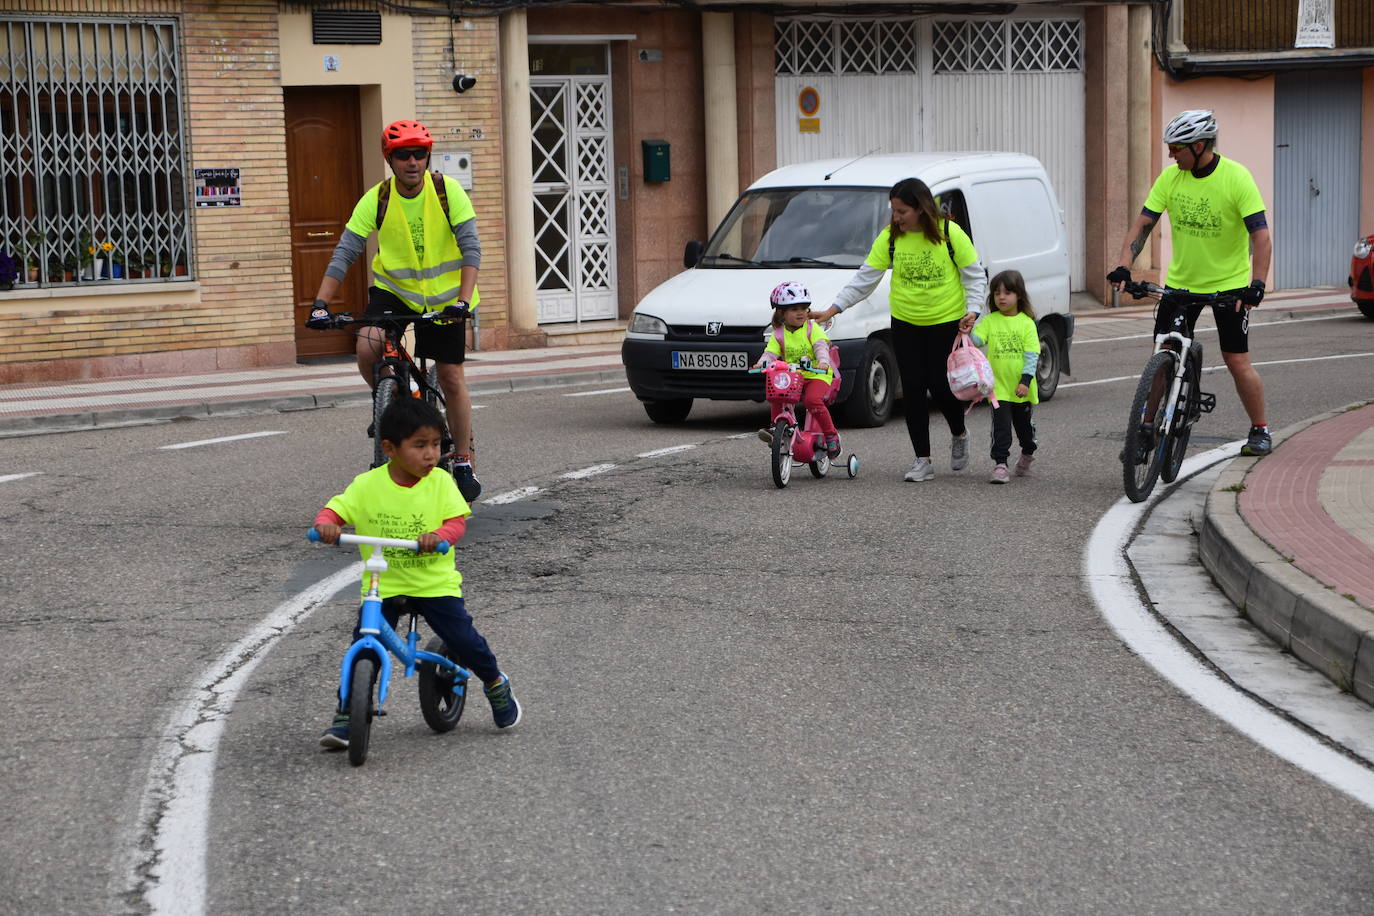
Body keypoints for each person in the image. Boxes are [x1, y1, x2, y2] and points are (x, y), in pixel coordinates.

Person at [312, 397, 520, 747]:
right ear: (390, 449)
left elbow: (456, 522)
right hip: (383, 584)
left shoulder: (440, 482)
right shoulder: (367, 485)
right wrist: (326, 525)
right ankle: (347, 714)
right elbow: (336, 509)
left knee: (463, 640)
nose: (430, 454)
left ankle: (495, 682)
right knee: (364, 647)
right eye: (420, 445)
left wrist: (440, 535)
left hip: (433, 583)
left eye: (436, 444)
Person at [308, 119, 486, 499]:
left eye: (418, 154)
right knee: (367, 345)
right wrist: (320, 304)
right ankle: (394, 405)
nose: (412, 162)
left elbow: (471, 248)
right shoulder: (377, 198)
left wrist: (462, 301)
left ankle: (462, 459)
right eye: (403, 155)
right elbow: (346, 251)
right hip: (395, 291)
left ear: (427, 156)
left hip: (446, 298)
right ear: (390, 159)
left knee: (451, 376)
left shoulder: (448, 191)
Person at [1108, 108, 1273, 457]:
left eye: (1176, 148)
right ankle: (1145, 430)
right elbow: (1142, 226)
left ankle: (1260, 429)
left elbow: (1260, 236)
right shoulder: (1170, 179)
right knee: (1163, 354)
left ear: (1199, 146)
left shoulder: (1236, 178)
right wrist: (1124, 267)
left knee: (1236, 360)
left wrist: (1256, 284)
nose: (1171, 154)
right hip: (1181, 284)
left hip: (1229, 286)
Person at [813, 177, 986, 481]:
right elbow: (865, 279)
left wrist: (973, 310)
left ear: (921, 208)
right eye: (893, 210)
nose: (896, 217)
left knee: (941, 387)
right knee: (913, 389)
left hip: (946, 321)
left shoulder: (949, 233)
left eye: (902, 211)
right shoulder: (890, 238)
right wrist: (834, 308)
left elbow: (974, 276)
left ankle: (959, 432)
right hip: (906, 323)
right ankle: (923, 459)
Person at [752, 281, 840, 458]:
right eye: (794, 309)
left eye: (804, 308)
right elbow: (770, 353)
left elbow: (820, 347)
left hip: (817, 374)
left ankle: (831, 435)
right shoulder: (778, 334)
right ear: (781, 313)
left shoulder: (811, 328)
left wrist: (823, 362)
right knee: (777, 395)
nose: (800, 312)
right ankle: (776, 429)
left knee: (812, 400)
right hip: (794, 377)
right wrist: (762, 363)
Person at [970, 270, 1039, 484]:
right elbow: (977, 340)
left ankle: (1028, 451)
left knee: (1024, 430)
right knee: (1001, 427)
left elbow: (1032, 355)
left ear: (1019, 295)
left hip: (1021, 388)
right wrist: (968, 329)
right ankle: (1001, 464)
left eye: (1007, 293)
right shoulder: (991, 321)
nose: (1001, 297)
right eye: (997, 293)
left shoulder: (1027, 323)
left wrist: (1025, 381)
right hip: (997, 388)